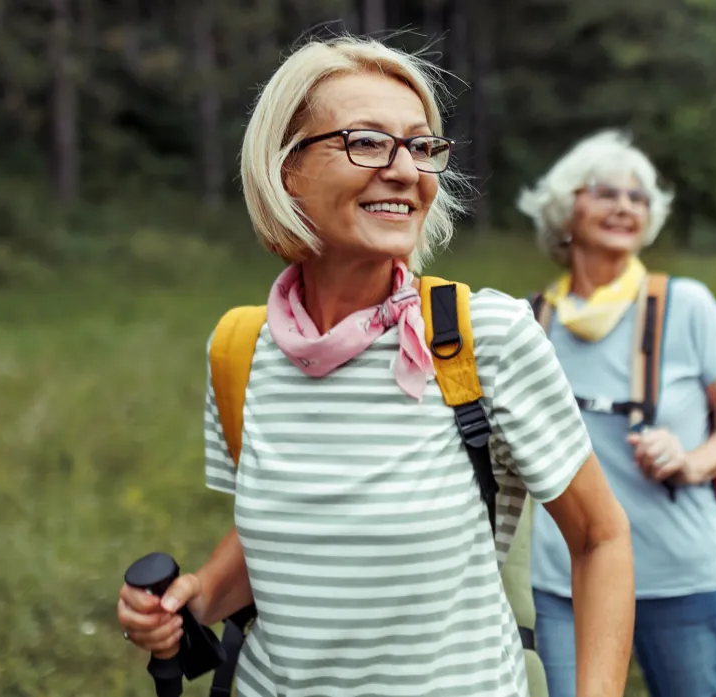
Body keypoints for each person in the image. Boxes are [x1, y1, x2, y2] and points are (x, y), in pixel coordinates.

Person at [115, 35, 637, 697]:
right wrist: (194, 597)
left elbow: (600, 538)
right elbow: (296, 532)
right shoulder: (240, 349)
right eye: (366, 141)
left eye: (421, 147)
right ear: (284, 169)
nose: (404, 170)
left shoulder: (490, 337)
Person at [515, 129, 716, 697]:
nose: (625, 206)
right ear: (565, 208)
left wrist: (692, 460)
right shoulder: (530, 321)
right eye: (606, 192)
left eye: (638, 197)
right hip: (563, 581)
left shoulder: (687, 304)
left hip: (678, 576)